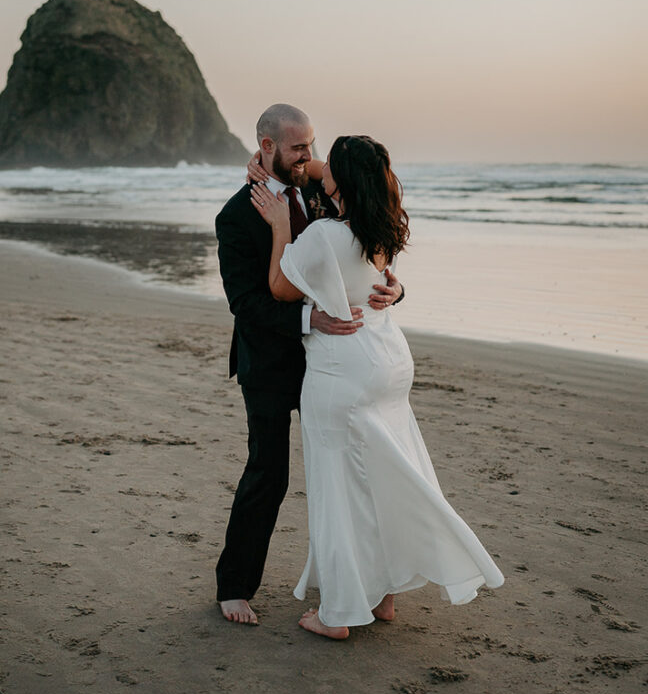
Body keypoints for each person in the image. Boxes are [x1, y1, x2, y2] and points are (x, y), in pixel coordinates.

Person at [251, 134, 504, 639]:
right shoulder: (383, 224)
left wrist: (280, 227)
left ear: (339, 182)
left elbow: (280, 286)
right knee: (383, 478)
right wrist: (278, 161)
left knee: (340, 489)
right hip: (389, 361)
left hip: (342, 368)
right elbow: (333, 172)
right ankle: (384, 597)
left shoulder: (324, 233)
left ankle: (337, 614)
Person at [215, 106, 403, 626]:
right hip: (272, 364)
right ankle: (234, 586)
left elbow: (368, 247)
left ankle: (371, 586)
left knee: (355, 472)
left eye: (313, 146)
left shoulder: (324, 192)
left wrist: (397, 289)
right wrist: (308, 319)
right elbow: (246, 303)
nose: (309, 157)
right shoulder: (235, 216)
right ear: (267, 146)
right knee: (268, 474)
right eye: (299, 148)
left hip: (337, 365)